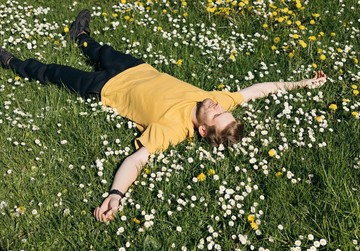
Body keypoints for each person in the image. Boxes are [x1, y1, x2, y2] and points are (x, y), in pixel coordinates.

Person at [0, 10, 327, 222]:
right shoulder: (215, 101)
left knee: (55, 72)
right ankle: (81, 37)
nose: (216, 106)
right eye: (223, 110)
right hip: (136, 67)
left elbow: (138, 159)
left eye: (217, 115)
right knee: (101, 51)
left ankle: (15, 64)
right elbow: (257, 90)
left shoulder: (174, 128)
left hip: (104, 88)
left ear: (202, 131)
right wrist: (303, 82)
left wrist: (115, 195)